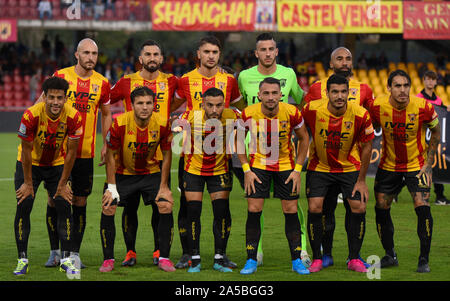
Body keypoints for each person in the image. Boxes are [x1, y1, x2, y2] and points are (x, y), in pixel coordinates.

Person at [237, 32, 308, 267]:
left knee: (292, 206)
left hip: (285, 157)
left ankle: (301, 254)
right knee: (255, 206)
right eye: (263, 50)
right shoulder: (244, 76)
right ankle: (254, 254)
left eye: (271, 49)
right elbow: (239, 107)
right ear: (256, 53)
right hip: (254, 155)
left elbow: (301, 100)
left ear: (276, 51)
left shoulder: (288, 74)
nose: (267, 53)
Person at [171, 36, 241, 270]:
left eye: (215, 52)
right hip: (191, 153)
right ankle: (187, 253)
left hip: (221, 153)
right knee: (187, 206)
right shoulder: (186, 80)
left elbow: (238, 107)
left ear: (219, 55)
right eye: (206, 51)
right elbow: (173, 107)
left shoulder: (229, 80)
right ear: (198, 54)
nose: (211, 56)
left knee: (222, 208)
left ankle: (221, 255)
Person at [42, 38, 112, 268]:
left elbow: (106, 113)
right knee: (56, 200)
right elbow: (41, 104)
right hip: (58, 154)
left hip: (84, 154)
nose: (91, 57)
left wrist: (106, 143)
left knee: (80, 203)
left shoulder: (102, 83)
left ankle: (73, 253)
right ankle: (54, 252)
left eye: (94, 53)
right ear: (76, 55)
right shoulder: (61, 77)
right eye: (86, 53)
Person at [304, 47, 374, 268]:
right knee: (319, 208)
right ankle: (321, 256)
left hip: (349, 164)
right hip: (320, 164)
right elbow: (299, 126)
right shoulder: (313, 99)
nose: (340, 96)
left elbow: (369, 138)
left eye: (348, 59)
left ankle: (354, 257)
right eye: (339, 58)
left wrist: (362, 180)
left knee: (357, 207)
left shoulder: (363, 99)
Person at [110, 39, 178, 266]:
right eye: (147, 54)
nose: (152, 58)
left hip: (156, 154)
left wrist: (172, 118)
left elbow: (186, 100)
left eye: (156, 54)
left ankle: (160, 251)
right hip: (128, 155)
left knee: (160, 205)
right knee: (129, 208)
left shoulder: (172, 81)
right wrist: (105, 140)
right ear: (140, 59)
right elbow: (103, 103)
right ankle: (130, 252)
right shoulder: (126, 82)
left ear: (161, 58)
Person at [367, 69, 440, 273]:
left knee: (422, 205)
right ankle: (390, 255)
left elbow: (435, 130)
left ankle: (424, 259)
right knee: (381, 208)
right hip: (388, 166)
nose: (402, 90)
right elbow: (369, 128)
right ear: (389, 88)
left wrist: (428, 161)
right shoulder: (377, 106)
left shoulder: (423, 107)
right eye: (397, 86)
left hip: (417, 167)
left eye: (406, 85)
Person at [99, 86, 175, 272]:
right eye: (140, 103)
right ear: (132, 105)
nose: (144, 107)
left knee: (165, 205)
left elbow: (167, 155)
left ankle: (164, 257)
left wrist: (164, 186)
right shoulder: (119, 123)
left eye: (149, 103)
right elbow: (110, 155)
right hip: (123, 174)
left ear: (154, 105)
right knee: (108, 207)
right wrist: (111, 187)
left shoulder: (163, 124)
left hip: (151, 173)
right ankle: (110, 259)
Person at [13, 77, 83, 276]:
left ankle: (67, 260)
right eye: (51, 97)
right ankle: (22, 259)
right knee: (24, 204)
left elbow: (71, 154)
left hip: (56, 164)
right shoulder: (31, 115)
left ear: (65, 98)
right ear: (44, 97)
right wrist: (28, 183)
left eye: (59, 98)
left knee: (63, 204)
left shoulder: (74, 117)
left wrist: (62, 185)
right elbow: (26, 152)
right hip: (30, 164)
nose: (55, 102)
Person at [416, 70, 450, 205]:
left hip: (434, 139)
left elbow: (442, 117)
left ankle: (440, 196)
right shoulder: (418, 97)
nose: (430, 82)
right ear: (424, 80)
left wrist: (446, 109)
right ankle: (394, 191)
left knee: (436, 166)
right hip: (420, 137)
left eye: (432, 79)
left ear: (436, 82)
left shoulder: (438, 100)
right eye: (428, 79)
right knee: (416, 167)